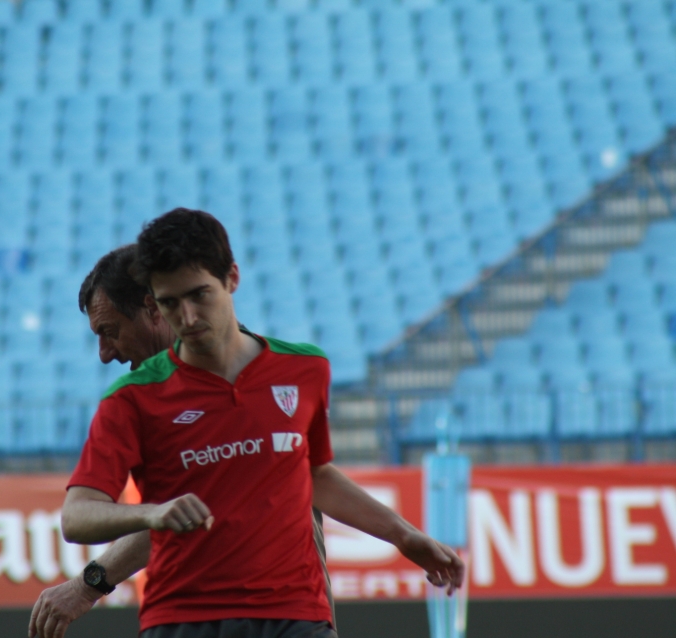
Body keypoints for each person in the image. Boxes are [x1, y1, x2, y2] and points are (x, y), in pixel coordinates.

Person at [36, 210, 463, 638]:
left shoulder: (294, 372)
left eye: (110, 331)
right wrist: (92, 581)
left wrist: (404, 536)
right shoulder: (135, 398)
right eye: (172, 301)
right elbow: (179, 511)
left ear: (151, 310)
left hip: (293, 616)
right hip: (188, 620)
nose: (104, 353)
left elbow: (308, 477)